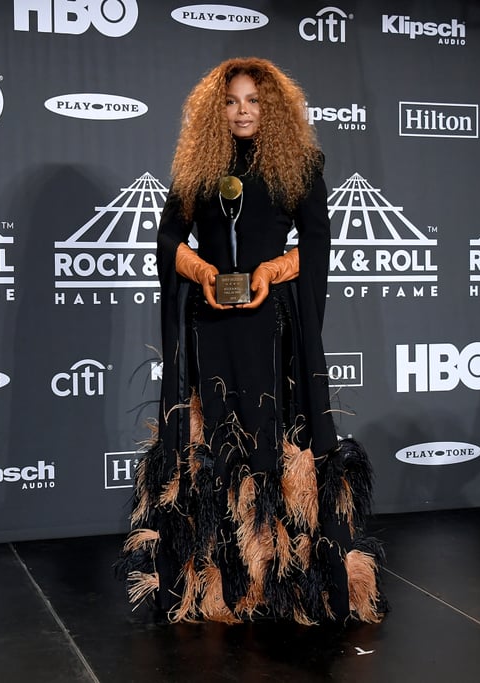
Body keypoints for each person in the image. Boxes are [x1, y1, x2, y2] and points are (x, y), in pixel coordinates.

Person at [115, 57, 386, 625]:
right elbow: (169, 238)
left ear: (273, 108)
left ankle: (280, 579)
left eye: (254, 101)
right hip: (212, 325)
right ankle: (219, 584)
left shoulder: (301, 164)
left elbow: (317, 243)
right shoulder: (197, 166)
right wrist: (201, 272)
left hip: (272, 330)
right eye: (233, 101)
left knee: (271, 437)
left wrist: (270, 272)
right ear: (219, 108)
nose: (243, 110)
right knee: (215, 437)